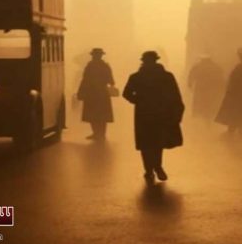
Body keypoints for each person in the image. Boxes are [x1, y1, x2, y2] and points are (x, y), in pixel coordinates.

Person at [123, 51, 184, 184]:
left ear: (143, 61)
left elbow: (126, 93)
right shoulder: (167, 76)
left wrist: (138, 100)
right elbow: (175, 95)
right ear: (156, 61)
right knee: (158, 142)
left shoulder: (136, 77)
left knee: (145, 143)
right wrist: (177, 111)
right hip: (161, 113)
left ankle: (149, 169)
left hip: (143, 114)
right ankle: (157, 166)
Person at [215, 48, 242, 137]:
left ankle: (238, 136)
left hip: (240, 96)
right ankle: (235, 134)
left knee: (239, 116)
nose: (241, 58)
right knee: (238, 116)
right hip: (241, 96)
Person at [77, 48, 116, 142]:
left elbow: (85, 80)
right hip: (102, 93)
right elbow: (111, 81)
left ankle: (96, 133)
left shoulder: (89, 66)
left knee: (92, 114)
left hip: (91, 93)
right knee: (102, 115)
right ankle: (101, 134)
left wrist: (81, 91)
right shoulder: (105, 66)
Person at [187, 55, 225, 121]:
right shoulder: (215, 66)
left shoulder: (198, 66)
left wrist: (190, 84)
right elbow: (221, 78)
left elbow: (191, 76)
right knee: (208, 107)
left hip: (201, 90)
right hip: (210, 91)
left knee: (202, 107)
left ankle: (205, 122)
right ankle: (207, 121)